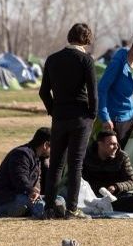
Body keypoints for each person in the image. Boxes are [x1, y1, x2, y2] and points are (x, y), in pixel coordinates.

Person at [39, 23, 98, 219]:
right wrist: (92, 114)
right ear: (87, 39)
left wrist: (53, 110)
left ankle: (48, 207)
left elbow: (43, 91)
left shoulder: (52, 59)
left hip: (60, 117)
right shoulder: (86, 60)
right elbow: (93, 94)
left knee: (55, 163)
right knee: (75, 164)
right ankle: (72, 209)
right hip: (80, 117)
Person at [0, 127, 56, 218]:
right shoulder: (21, 154)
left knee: (58, 199)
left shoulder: (37, 158)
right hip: (3, 201)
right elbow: (19, 178)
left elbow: (39, 185)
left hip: (21, 197)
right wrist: (31, 191)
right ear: (45, 145)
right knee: (38, 204)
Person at [82, 130, 133, 197]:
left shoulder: (122, 157)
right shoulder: (86, 155)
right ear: (100, 144)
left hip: (114, 195)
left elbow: (132, 182)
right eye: (112, 144)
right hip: (90, 193)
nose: (116, 147)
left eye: (116, 144)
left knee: (129, 196)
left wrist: (116, 187)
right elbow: (76, 177)